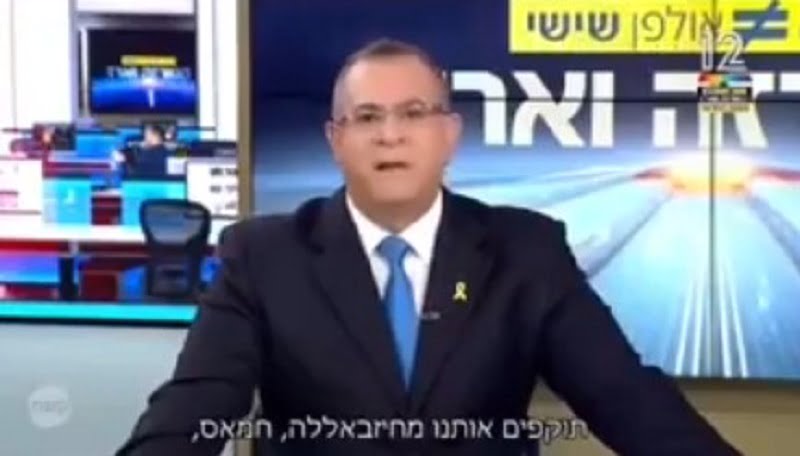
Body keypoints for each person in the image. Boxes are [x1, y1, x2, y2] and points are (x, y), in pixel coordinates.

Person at [117, 39, 741, 455]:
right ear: (336, 140)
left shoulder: (526, 251)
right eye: (367, 117)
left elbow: (626, 399)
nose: (390, 135)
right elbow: (193, 407)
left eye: (414, 113)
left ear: (449, 135)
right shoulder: (263, 255)